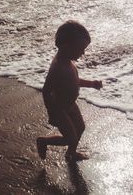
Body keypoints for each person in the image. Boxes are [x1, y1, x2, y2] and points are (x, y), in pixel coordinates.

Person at [36, 20, 102, 161]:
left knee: (80, 128)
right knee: (70, 138)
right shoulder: (58, 67)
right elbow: (46, 90)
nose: (83, 53)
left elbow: (74, 81)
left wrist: (91, 84)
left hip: (70, 104)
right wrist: (51, 112)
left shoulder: (69, 62)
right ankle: (43, 141)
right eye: (80, 48)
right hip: (59, 108)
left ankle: (71, 153)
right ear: (66, 46)